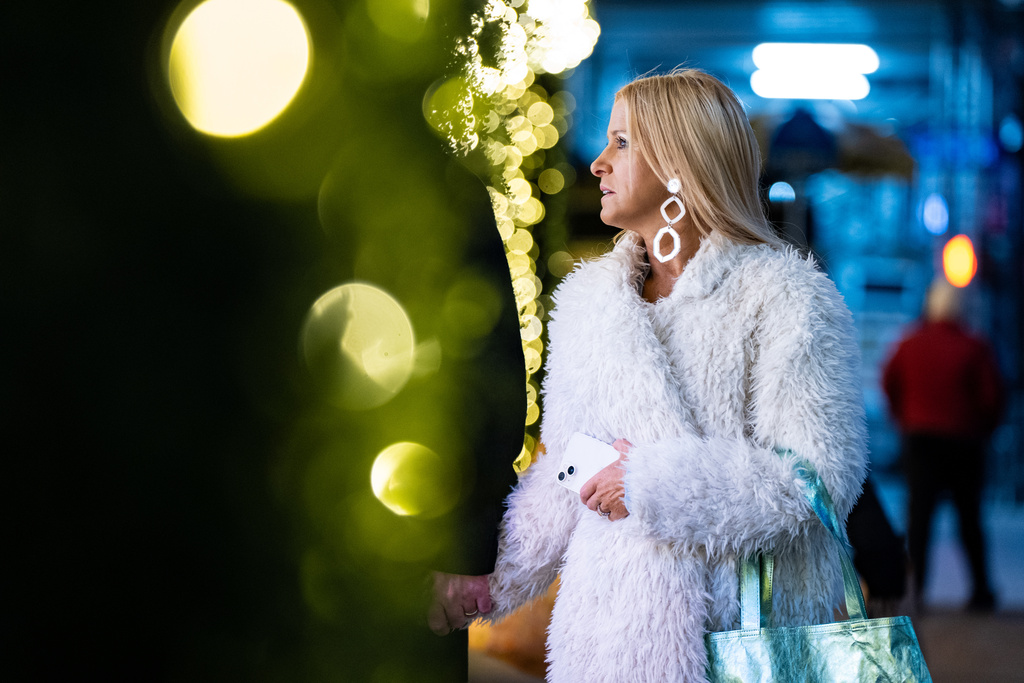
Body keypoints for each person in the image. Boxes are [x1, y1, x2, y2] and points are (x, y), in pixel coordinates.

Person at [466, 69, 869, 681]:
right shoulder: (589, 303)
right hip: (603, 641)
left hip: (740, 643)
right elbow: (566, 470)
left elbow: (817, 480)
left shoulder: (787, 297)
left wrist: (650, 482)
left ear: (682, 162)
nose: (598, 163)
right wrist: (484, 587)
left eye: (622, 142)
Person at [882, 279, 1004, 611]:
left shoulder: (909, 343)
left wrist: (903, 419)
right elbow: (992, 397)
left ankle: (916, 591)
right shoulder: (973, 346)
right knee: (970, 520)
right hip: (964, 443)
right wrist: (983, 429)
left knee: (919, 520)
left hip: (920, 441)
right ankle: (980, 592)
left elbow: (889, 383)